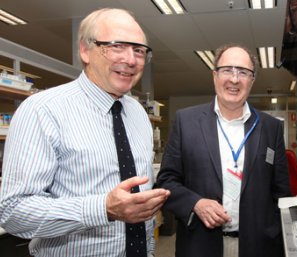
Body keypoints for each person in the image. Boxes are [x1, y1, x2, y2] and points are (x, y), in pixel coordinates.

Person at [0, 8, 170, 257]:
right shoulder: (43, 110)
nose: (131, 60)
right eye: (117, 46)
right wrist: (103, 208)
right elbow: (13, 211)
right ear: (84, 50)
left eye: (139, 50)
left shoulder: (138, 114)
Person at [156, 43, 291, 257]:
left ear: (252, 80)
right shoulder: (186, 121)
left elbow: (281, 192)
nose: (234, 79)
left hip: (258, 247)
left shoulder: (271, 127)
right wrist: (196, 203)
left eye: (243, 72)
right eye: (227, 70)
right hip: (200, 245)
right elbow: (166, 181)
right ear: (215, 76)